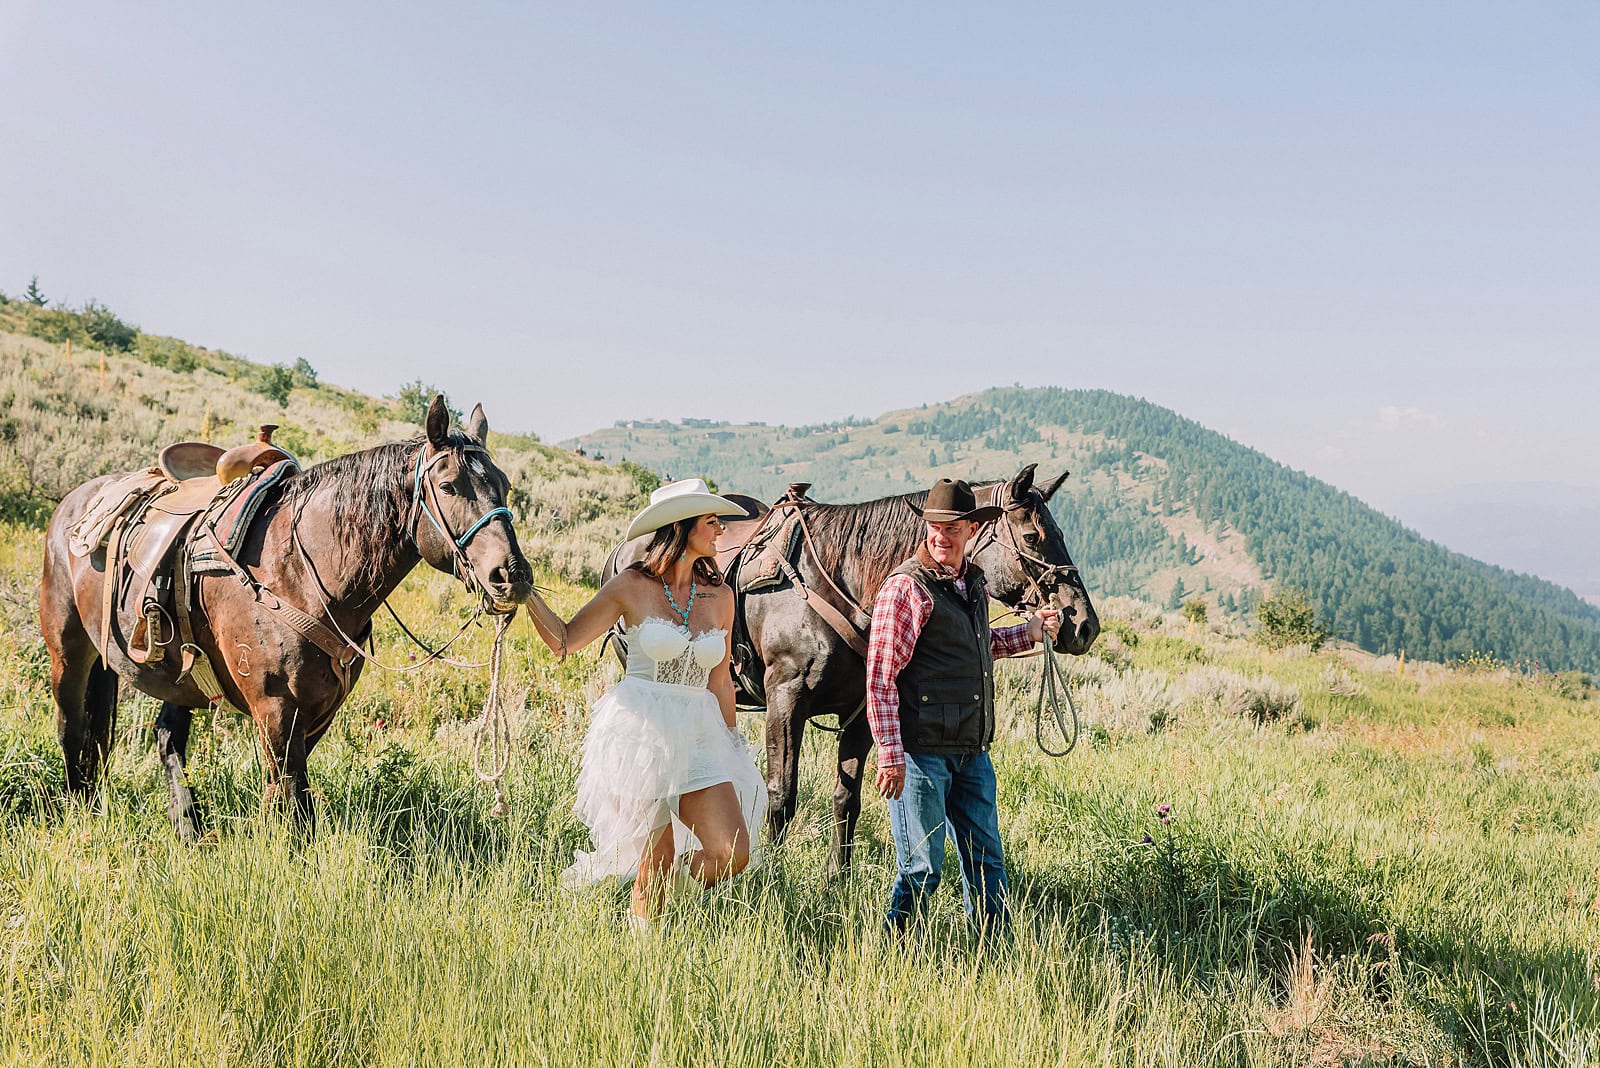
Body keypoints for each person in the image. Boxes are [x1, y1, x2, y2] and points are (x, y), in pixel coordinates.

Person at [522, 478, 767, 924]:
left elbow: (720, 681)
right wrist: (526, 594)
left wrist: (731, 742)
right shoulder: (630, 586)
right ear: (683, 527)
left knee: (731, 851)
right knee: (656, 855)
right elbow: (564, 641)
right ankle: (646, 943)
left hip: (699, 735)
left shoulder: (721, 597)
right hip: (641, 737)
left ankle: (664, 900)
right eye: (713, 522)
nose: (722, 532)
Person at [867, 477, 1061, 936]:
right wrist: (891, 755)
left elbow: (973, 646)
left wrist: (1028, 632)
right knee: (922, 864)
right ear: (926, 528)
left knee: (986, 859)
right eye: (936, 526)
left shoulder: (972, 583)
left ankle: (994, 949)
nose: (943, 536)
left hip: (971, 749)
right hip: (921, 753)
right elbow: (880, 677)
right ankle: (899, 953)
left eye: (954, 527)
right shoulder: (906, 589)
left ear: (971, 529)